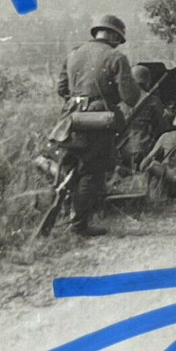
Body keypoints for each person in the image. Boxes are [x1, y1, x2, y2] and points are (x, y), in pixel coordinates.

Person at [56, 14, 141, 236]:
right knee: (91, 171)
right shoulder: (116, 57)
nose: (117, 43)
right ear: (113, 34)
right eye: (118, 38)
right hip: (99, 120)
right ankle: (79, 225)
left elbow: (62, 88)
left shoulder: (73, 53)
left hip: (70, 119)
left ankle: (65, 215)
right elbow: (131, 97)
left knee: (69, 166)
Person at [117, 65, 170, 172]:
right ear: (146, 81)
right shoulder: (153, 101)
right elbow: (165, 126)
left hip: (121, 147)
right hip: (144, 148)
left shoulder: (122, 101)